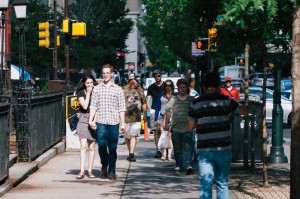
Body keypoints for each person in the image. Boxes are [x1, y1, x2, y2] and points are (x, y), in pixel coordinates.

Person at [188, 72, 246, 199]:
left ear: (203, 86)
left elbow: (190, 126)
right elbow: (242, 110)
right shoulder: (226, 101)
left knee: (206, 184)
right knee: (222, 183)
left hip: (204, 150)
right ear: (219, 85)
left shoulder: (196, 103)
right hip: (223, 148)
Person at [89, 64, 126, 181]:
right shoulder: (97, 89)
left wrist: (123, 123)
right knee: (102, 145)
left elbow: (122, 108)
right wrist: (91, 120)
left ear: (112, 74)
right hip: (101, 121)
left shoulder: (118, 89)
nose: (105, 75)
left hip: (114, 121)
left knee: (113, 147)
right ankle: (104, 163)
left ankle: (112, 171)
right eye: (104, 73)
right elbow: (93, 106)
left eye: (107, 73)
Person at [164, 78, 195, 175]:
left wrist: (196, 124)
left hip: (188, 127)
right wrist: (166, 123)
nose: (182, 89)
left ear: (187, 88)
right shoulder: (174, 99)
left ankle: (187, 165)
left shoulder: (191, 100)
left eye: (184, 87)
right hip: (176, 128)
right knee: (177, 148)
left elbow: (195, 113)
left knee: (187, 147)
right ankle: (178, 165)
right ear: (178, 88)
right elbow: (168, 111)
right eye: (180, 87)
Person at [75, 75, 98, 179]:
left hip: (93, 119)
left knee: (92, 146)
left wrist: (94, 121)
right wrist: (88, 93)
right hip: (83, 119)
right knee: (83, 146)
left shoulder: (97, 92)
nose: (90, 85)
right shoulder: (80, 92)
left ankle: (90, 171)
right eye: (88, 83)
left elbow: (98, 107)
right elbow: (84, 106)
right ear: (84, 83)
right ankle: (81, 171)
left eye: (91, 83)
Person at [123, 75, 147, 162]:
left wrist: (144, 113)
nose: (133, 82)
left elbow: (144, 102)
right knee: (127, 136)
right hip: (125, 117)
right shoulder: (123, 90)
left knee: (133, 135)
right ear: (128, 81)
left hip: (136, 117)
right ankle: (130, 152)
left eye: (134, 80)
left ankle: (131, 154)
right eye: (131, 80)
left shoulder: (140, 90)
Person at [154, 79, 175, 161]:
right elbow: (157, 108)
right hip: (162, 117)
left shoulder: (175, 96)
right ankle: (164, 153)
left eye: (169, 85)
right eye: (166, 85)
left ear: (172, 86)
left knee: (170, 136)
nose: (168, 87)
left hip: (172, 117)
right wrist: (156, 119)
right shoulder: (161, 96)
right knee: (163, 135)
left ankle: (169, 155)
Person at [146, 69, 164, 158]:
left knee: (164, 131)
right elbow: (148, 100)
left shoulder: (165, 86)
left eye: (158, 75)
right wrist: (150, 110)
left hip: (164, 110)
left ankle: (165, 149)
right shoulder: (151, 87)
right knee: (156, 131)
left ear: (161, 75)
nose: (157, 77)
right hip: (154, 110)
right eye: (155, 76)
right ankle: (158, 150)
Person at [187, 78, 199, 163]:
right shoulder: (196, 94)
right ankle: (194, 154)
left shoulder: (192, 94)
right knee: (193, 137)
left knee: (192, 137)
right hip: (193, 118)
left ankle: (195, 154)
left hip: (191, 118)